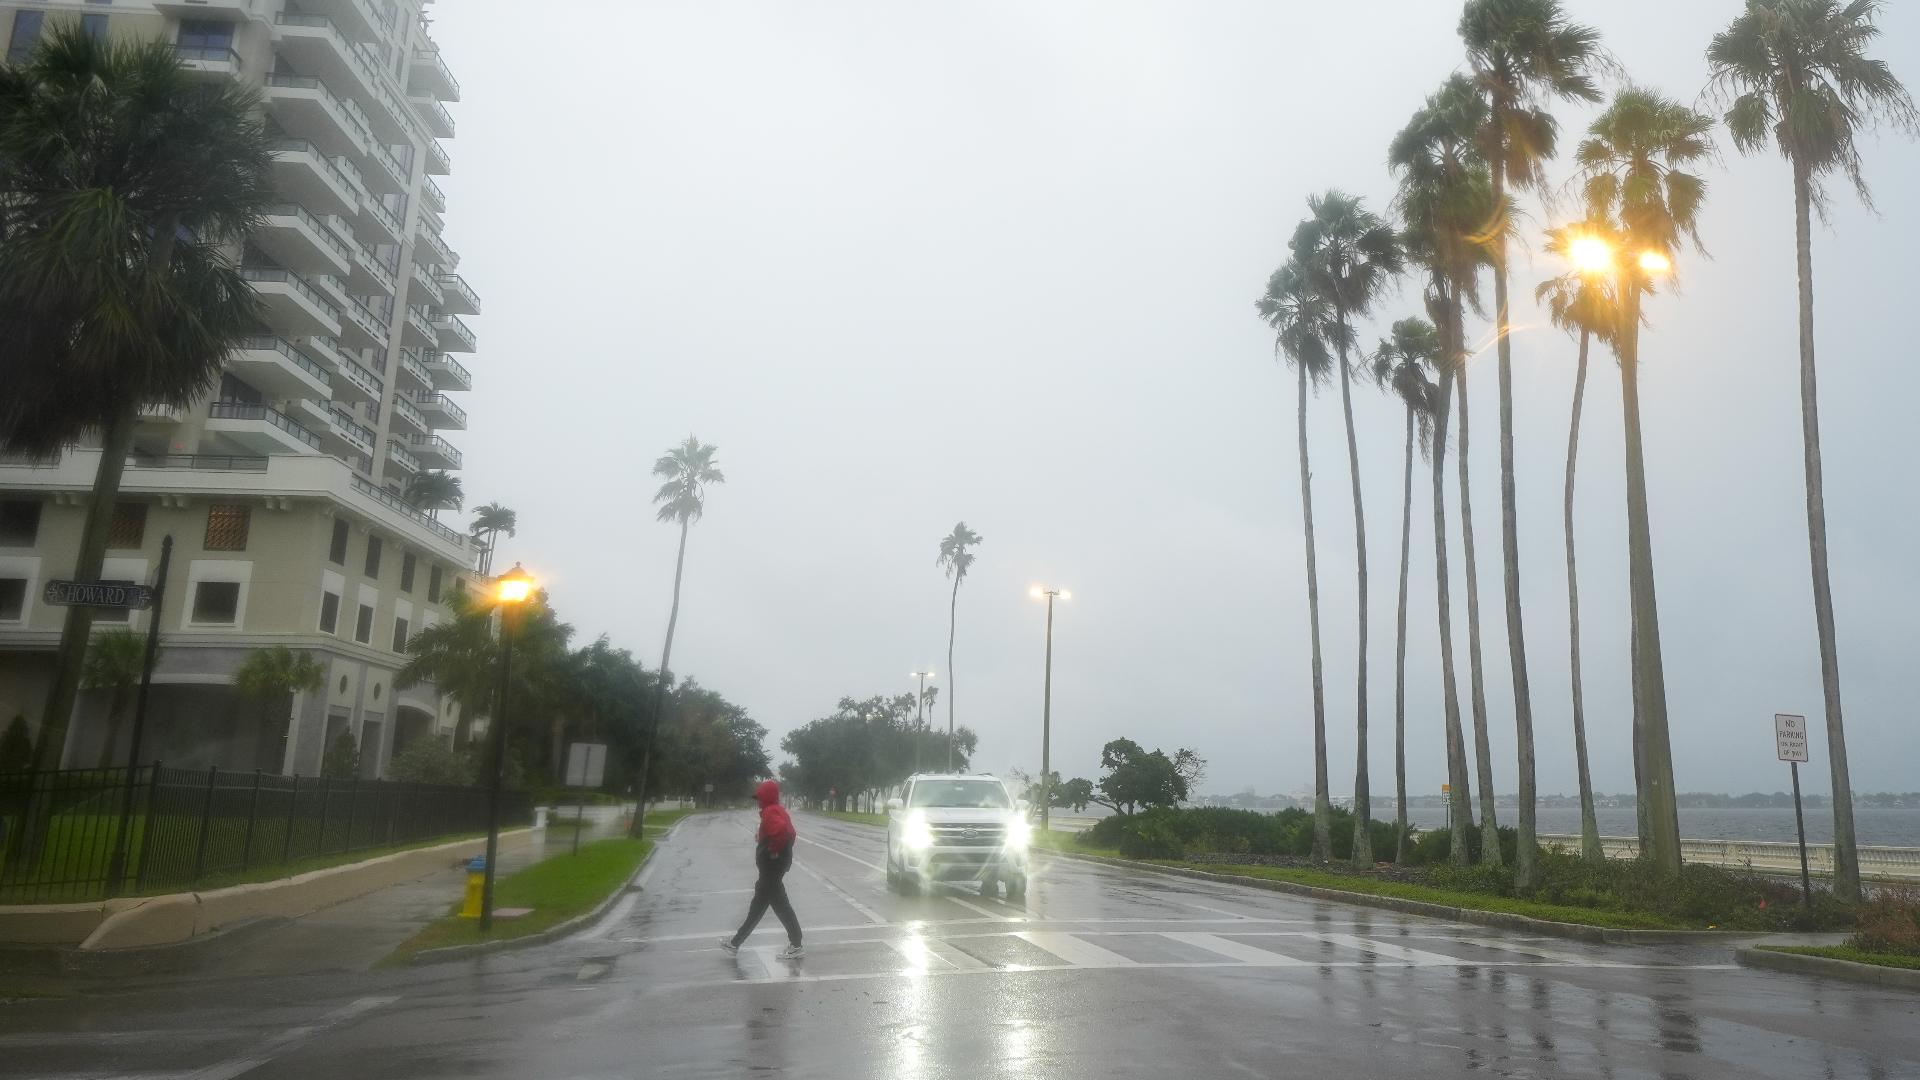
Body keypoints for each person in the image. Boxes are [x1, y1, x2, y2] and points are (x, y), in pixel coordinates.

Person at [720, 779, 803, 959]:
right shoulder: (778, 811)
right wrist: (769, 842)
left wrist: (773, 850)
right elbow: (791, 833)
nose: (758, 801)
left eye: (760, 797)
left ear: (767, 797)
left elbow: (781, 831)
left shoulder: (770, 811)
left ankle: (796, 944)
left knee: (777, 906)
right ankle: (735, 943)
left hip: (771, 868)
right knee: (761, 906)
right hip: (775, 868)